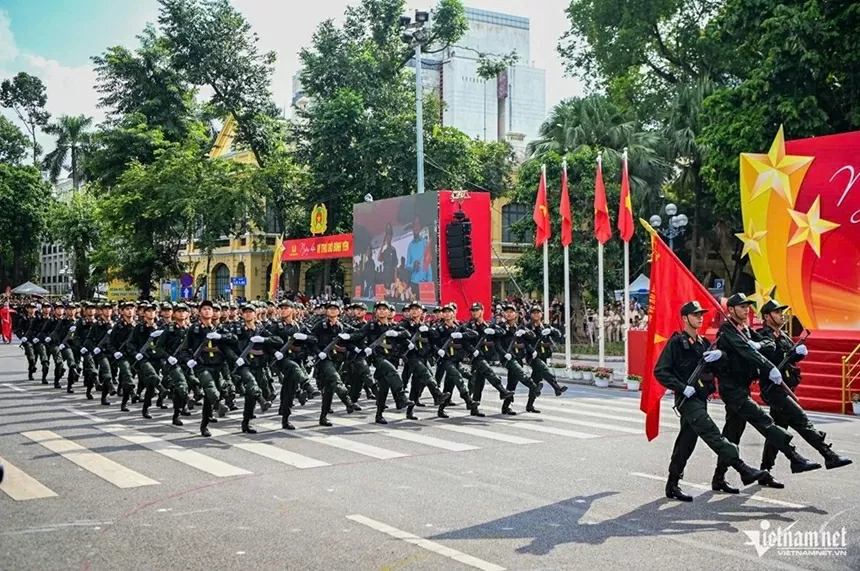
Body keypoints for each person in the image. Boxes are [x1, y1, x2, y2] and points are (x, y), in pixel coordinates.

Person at [654, 300, 767, 502]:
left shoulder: (703, 343)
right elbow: (660, 371)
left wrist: (720, 355)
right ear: (685, 318)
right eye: (695, 314)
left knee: (686, 442)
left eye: (701, 314)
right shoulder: (677, 343)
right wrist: (682, 387)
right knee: (713, 434)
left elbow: (719, 368)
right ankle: (742, 469)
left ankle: (672, 484)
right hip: (687, 400)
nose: (700, 317)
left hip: (701, 397)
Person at [711, 293, 821, 493]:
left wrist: (760, 344)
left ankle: (719, 477)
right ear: (731, 310)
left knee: (732, 434)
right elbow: (747, 352)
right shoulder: (727, 330)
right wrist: (769, 367)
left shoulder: (745, 329)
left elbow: (768, 344)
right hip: (731, 388)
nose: (746, 309)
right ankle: (794, 457)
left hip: (743, 386)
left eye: (747, 306)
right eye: (742, 306)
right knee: (764, 421)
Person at [755, 299, 851, 485]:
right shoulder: (762, 336)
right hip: (774, 390)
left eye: (782, 312)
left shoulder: (783, 335)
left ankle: (765, 471)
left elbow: (789, 359)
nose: (782, 315)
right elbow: (768, 356)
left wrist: (798, 354)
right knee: (801, 420)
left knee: (778, 430)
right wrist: (788, 355)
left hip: (786, 387)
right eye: (777, 312)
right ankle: (829, 455)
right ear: (767, 316)